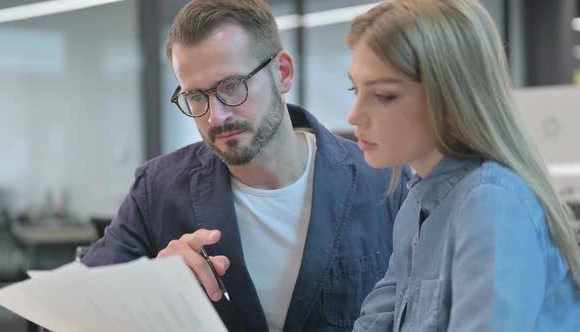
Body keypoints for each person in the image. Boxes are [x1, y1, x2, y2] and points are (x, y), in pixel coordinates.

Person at [81, 0, 409, 331]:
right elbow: (64, 317)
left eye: (231, 86)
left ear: (282, 73)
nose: (215, 116)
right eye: (196, 96)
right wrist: (150, 289)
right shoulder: (157, 190)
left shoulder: (387, 180)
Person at [346, 0, 580, 331]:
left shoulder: (491, 203)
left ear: (453, 98)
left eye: (383, 95)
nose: (353, 116)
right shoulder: (416, 203)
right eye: (354, 89)